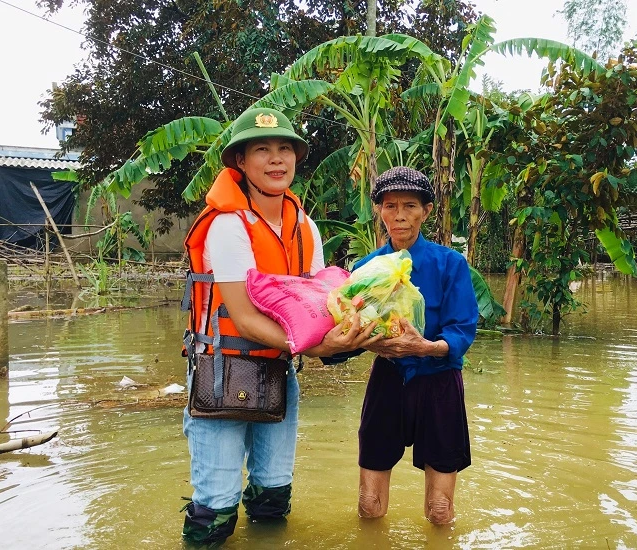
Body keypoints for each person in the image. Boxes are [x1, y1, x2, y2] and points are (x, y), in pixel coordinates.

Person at [181, 106, 379, 545]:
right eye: (262, 150)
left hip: (278, 370)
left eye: (284, 149)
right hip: (222, 371)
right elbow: (246, 318)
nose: (276, 159)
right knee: (215, 509)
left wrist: (353, 332)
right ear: (241, 162)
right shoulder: (228, 226)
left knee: (273, 496)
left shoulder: (305, 227)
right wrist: (315, 347)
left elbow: (319, 303)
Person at [355, 166, 479, 525]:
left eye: (410, 205)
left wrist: (425, 347)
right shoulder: (366, 269)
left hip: (439, 383)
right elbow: (348, 331)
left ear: (426, 211)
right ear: (379, 210)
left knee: (440, 511)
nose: (399, 215)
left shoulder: (451, 264)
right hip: (388, 379)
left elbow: (462, 330)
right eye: (390, 205)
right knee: (368, 504)